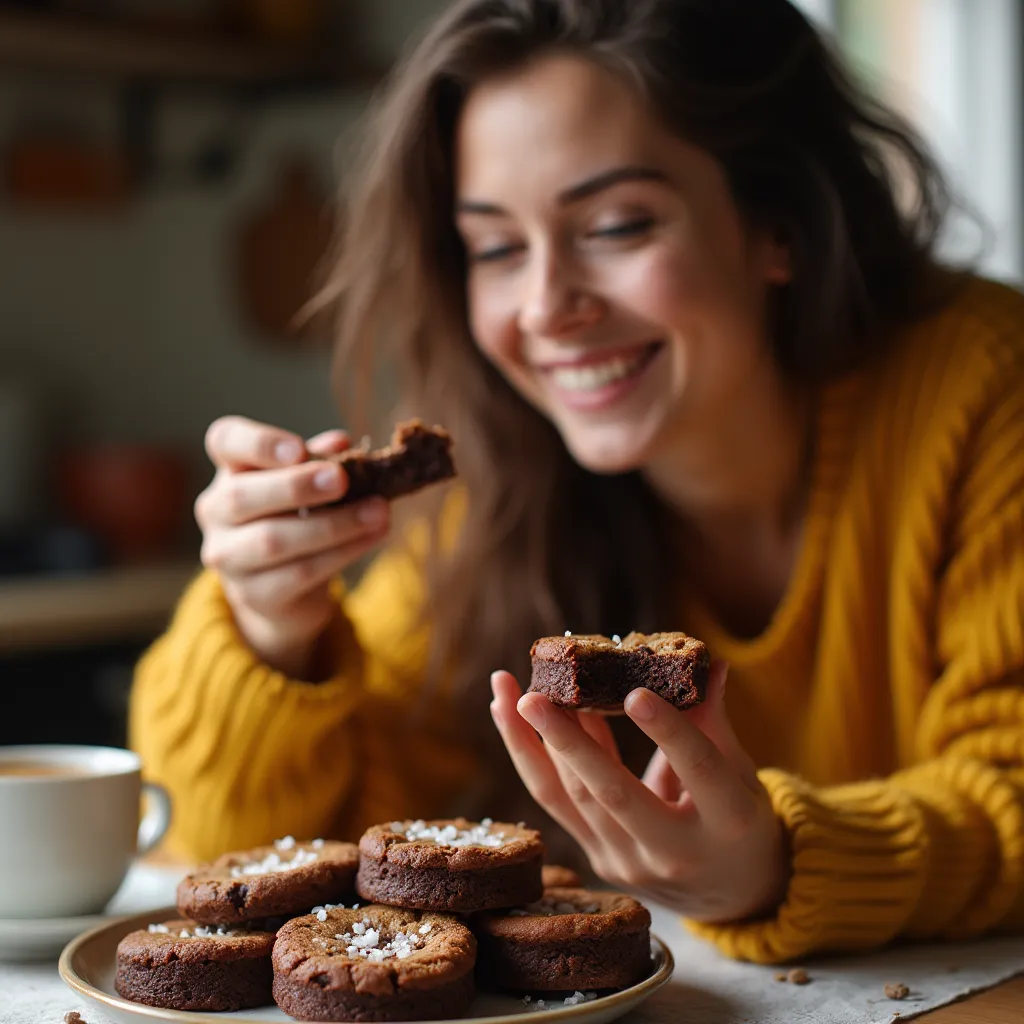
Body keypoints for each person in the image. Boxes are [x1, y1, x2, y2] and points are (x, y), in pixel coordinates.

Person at [130, 0, 1024, 963]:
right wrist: (273, 631)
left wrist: (779, 862)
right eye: (497, 247)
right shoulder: (500, 489)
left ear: (779, 224)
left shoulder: (983, 390)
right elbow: (249, 858)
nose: (548, 307)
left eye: (618, 224)